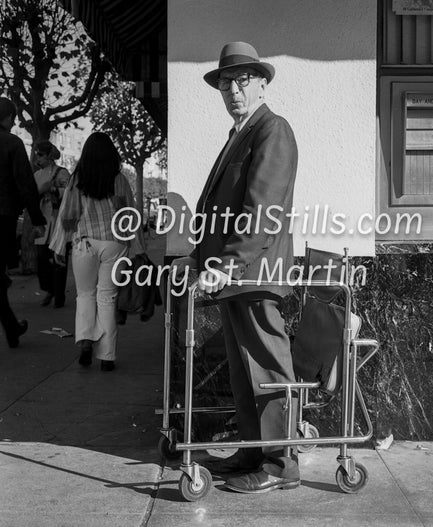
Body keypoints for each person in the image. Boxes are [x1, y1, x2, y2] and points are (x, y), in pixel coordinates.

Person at [175, 42, 300, 493]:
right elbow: (219, 208)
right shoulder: (241, 133)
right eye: (227, 82)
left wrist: (227, 264)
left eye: (244, 80)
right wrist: (197, 256)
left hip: (253, 272)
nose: (234, 90)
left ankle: (280, 466)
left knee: (266, 367)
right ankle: (253, 451)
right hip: (234, 274)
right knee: (244, 369)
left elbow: (262, 209)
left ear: (263, 84)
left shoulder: (272, 130)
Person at [49, 132, 145, 372]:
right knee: (107, 298)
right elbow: (129, 215)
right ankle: (107, 356)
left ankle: (85, 343)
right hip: (115, 244)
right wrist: (138, 248)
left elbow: (66, 213)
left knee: (84, 295)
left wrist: (59, 246)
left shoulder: (77, 179)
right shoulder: (119, 179)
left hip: (85, 244)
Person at [0, 97, 46, 348]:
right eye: (13, 118)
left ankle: (12, 328)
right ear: (7, 118)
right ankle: (12, 328)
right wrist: (37, 219)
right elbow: (25, 184)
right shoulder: (12, 143)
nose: (14, 122)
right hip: (3, 218)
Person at [33, 140, 70, 308]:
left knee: (59, 259)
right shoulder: (37, 175)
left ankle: (59, 296)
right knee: (42, 258)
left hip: (58, 221)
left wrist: (54, 190)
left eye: (40, 154)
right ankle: (49, 289)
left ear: (49, 155)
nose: (37, 157)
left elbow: (69, 193)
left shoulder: (62, 173)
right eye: (36, 153)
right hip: (43, 220)